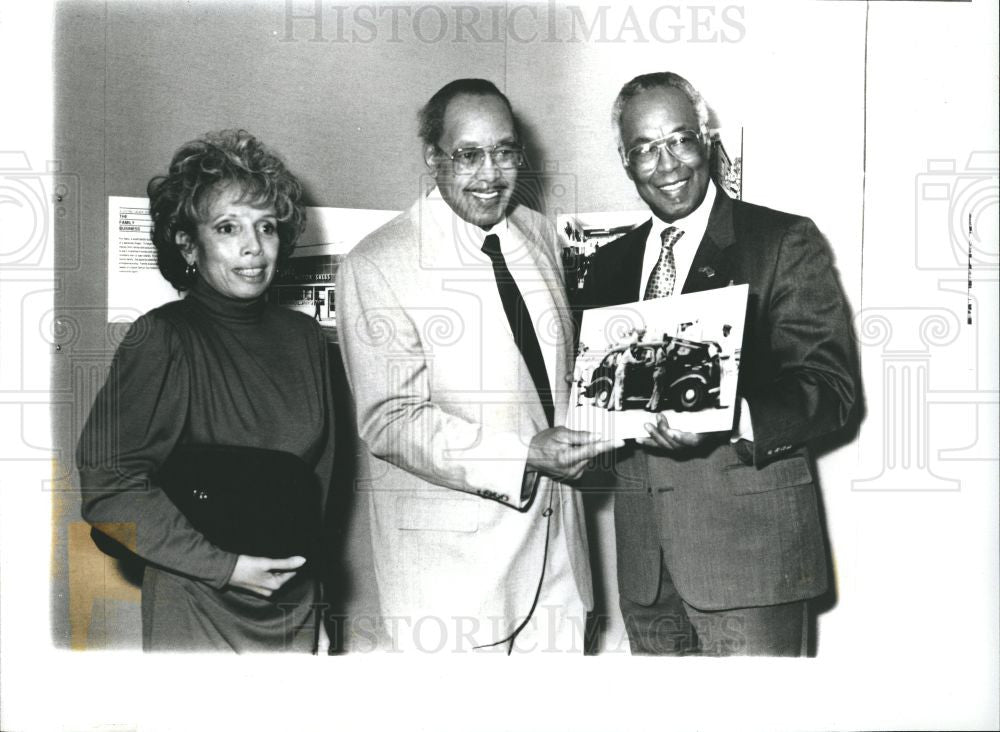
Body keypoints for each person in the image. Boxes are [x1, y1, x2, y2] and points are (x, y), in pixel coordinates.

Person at [582, 72, 857, 656]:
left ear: (707, 140)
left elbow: (831, 388)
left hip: (751, 561)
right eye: (644, 149)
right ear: (625, 161)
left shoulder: (781, 240)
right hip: (646, 568)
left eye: (680, 140)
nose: (667, 164)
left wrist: (726, 417)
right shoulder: (608, 265)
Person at [336, 79, 614, 653]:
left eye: (505, 151)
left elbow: (556, 381)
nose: (491, 175)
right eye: (468, 155)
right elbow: (391, 420)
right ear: (433, 157)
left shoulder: (538, 234)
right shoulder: (378, 263)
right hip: (454, 592)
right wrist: (526, 455)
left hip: (561, 566)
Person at [76, 130, 336, 652]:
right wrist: (225, 567)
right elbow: (108, 492)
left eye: (266, 226)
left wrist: (320, 604)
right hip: (199, 608)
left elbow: (318, 492)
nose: (252, 247)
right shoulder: (162, 337)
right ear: (187, 243)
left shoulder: (306, 338)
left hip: (296, 610)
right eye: (227, 227)